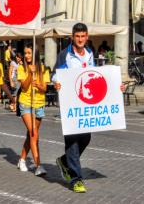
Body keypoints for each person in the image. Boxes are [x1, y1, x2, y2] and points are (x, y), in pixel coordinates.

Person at [53, 23, 99, 193]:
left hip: (85, 104)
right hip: (70, 104)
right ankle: (76, 179)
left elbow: (94, 74)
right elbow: (55, 74)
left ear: (87, 37)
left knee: (86, 138)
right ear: (73, 37)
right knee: (72, 142)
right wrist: (56, 82)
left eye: (83, 36)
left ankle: (65, 161)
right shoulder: (65, 55)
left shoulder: (89, 53)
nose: (80, 39)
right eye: (77, 36)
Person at [17, 43, 49, 177]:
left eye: (29, 53)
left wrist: (39, 85)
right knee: (34, 133)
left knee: (31, 135)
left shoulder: (43, 68)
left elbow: (45, 89)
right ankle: (38, 165)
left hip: (39, 104)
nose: (26, 56)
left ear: (35, 53)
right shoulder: (21, 68)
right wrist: (30, 73)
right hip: (26, 103)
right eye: (25, 53)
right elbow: (24, 87)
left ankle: (22, 159)